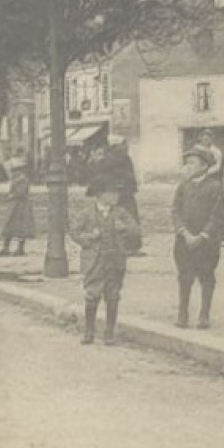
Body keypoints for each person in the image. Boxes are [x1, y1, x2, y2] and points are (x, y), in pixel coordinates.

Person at [70, 173, 141, 346]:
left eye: (117, 192)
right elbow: (74, 232)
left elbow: (135, 230)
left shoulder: (121, 212)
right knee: (92, 294)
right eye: (111, 193)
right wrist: (89, 237)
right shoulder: (87, 214)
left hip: (115, 260)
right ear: (100, 194)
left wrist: (124, 229)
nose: (116, 196)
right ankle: (89, 331)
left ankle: (109, 332)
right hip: (94, 262)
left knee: (113, 295)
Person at [170, 147, 224, 330]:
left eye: (192, 163)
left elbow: (217, 215)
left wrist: (203, 235)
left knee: (206, 276)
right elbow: (175, 210)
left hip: (207, 242)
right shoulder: (183, 186)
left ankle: (204, 314)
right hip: (183, 240)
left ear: (205, 166)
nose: (188, 167)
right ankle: (183, 313)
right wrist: (183, 232)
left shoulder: (215, 187)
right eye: (186, 163)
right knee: (184, 276)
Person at [99, 136, 143, 255]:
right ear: (116, 146)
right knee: (120, 219)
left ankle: (131, 247)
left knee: (128, 218)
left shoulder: (121, 158)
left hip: (124, 193)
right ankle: (123, 247)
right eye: (123, 144)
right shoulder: (113, 159)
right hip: (117, 193)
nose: (126, 146)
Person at [0, 158, 34, 256]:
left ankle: (20, 248)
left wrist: (11, 196)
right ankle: (6, 247)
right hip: (14, 206)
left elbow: (21, 193)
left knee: (21, 226)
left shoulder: (23, 179)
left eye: (15, 170)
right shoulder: (16, 180)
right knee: (9, 225)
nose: (13, 172)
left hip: (21, 206)